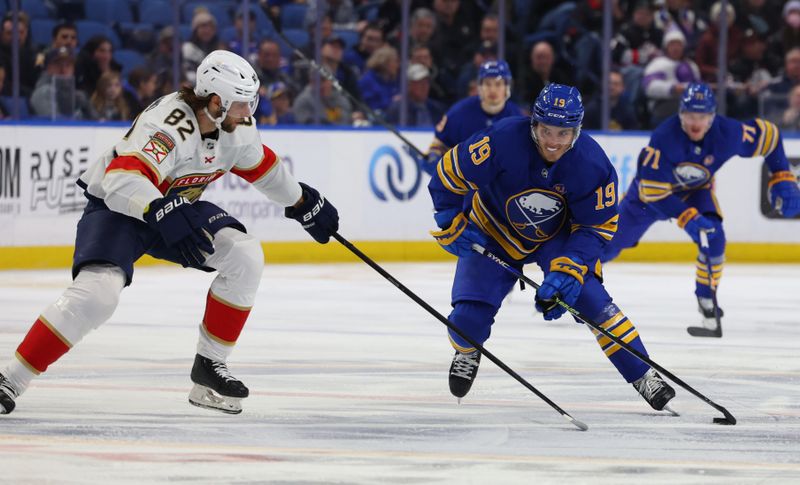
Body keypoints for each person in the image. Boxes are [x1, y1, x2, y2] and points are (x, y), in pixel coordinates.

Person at [0, 50, 339, 416]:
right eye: (242, 104)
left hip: (176, 208)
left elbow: (263, 168)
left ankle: (209, 368)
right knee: (97, 295)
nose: (249, 112)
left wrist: (302, 201)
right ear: (215, 102)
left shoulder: (237, 127)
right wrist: (160, 208)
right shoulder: (169, 124)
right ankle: (10, 379)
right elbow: (121, 178)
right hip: (121, 209)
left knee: (244, 255)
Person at [427, 83, 676, 413]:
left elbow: (596, 227)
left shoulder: (593, 164)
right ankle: (467, 351)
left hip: (556, 238)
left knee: (592, 302)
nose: (553, 141)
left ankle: (643, 373)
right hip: (493, 228)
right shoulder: (501, 139)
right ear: (534, 124)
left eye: (563, 132)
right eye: (546, 130)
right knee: (467, 320)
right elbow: (448, 172)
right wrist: (450, 218)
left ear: (577, 129)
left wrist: (571, 267)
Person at [602, 83, 800, 330]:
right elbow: (652, 191)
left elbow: (769, 136)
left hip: (695, 191)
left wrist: (782, 174)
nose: (696, 123)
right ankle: (578, 281)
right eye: (690, 116)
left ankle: (706, 296)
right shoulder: (664, 137)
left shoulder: (728, 133)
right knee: (608, 245)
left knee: (714, 236)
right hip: (649, 198)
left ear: (712, 116)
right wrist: (688, 218)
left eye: (703, 116)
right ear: (680, 114)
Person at [409, 60, 523, 175]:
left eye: (498, 84)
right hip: (465, 185)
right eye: (488, 84)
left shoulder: (517, 118)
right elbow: (439, 144)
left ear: (507, 87)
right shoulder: (458, 113)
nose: (492, 90)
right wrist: (434, 156)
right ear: (480, 86)